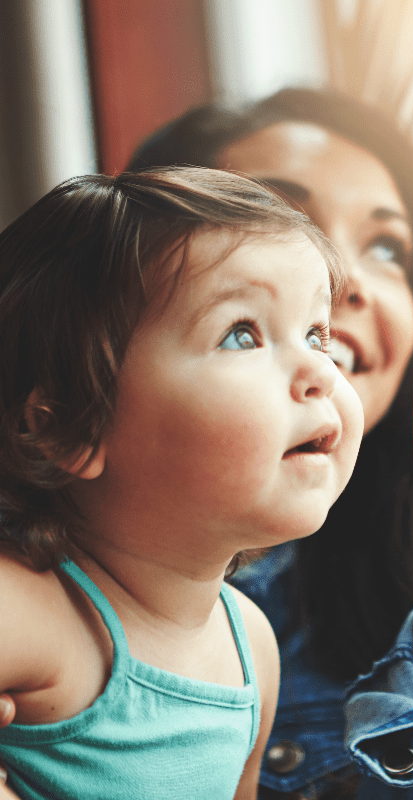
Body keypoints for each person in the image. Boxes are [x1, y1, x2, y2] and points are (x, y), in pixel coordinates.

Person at [0, 166, 365, 799]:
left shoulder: (251, 646)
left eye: (317, 334)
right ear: (67, 432)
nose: (322, 371)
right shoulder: (32, 610)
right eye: (241, 334)